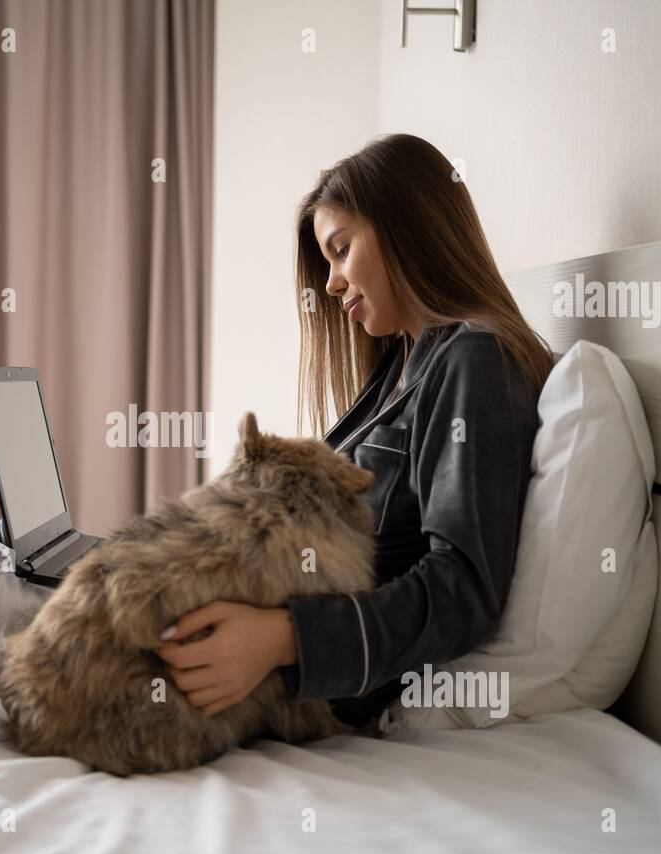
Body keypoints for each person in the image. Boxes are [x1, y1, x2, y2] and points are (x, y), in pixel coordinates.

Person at [156, 133, 555, 726]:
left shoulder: (476, 361)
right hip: (239, 620)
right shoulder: (402, 364)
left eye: (341, 250)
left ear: (406, 227)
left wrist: (282, 638)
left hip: (295, 674)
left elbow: (462, 590)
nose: (331, 283)